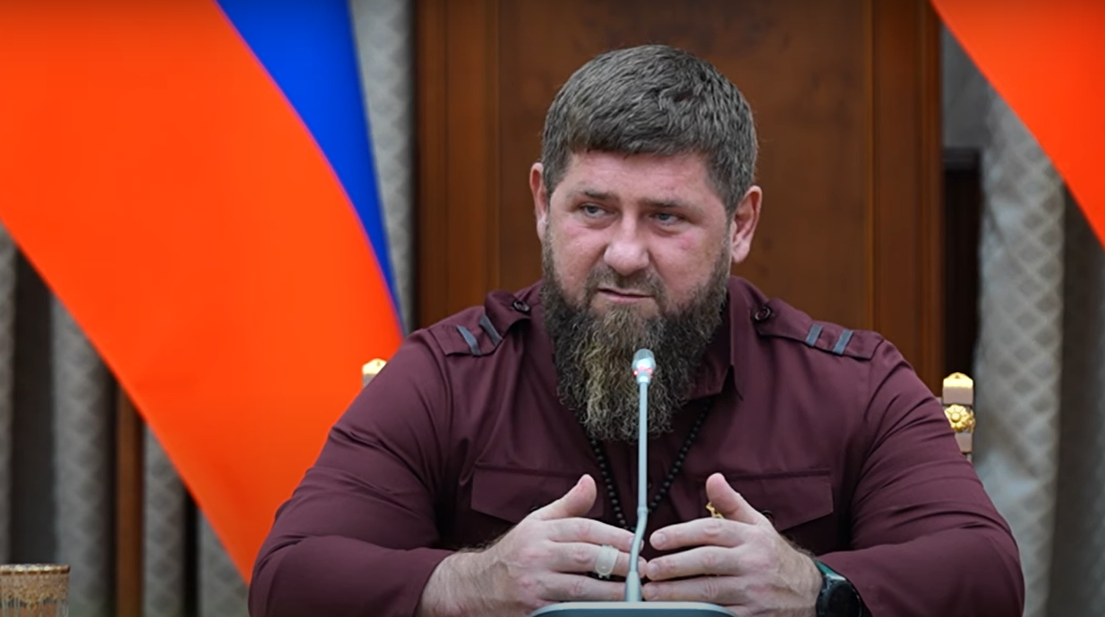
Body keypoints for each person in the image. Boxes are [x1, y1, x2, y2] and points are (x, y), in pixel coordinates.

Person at [248, 44, 1023, 617]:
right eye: (593, 209)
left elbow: (987, 573)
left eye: (666, 217)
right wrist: (466, 584)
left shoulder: (852, 384)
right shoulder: (448, 376)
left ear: (741, 224)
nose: (624, 253)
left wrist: (817, 588)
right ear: (542, 203)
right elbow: (288, 577)